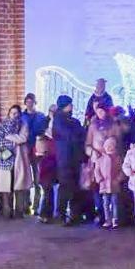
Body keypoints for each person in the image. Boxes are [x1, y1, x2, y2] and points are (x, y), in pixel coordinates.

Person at [50, 96, 87, 225]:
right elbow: (71, 135)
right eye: (70, 104)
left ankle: (75, 214)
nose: (72, 106)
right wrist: (78, 133)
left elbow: (81, 135)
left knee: (76, 187)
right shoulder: (59, 120)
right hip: (65, 159)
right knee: (65, 187)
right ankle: (61, 214)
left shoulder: (73, 121)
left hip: (74, 158)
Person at [0, 105, 33, 219]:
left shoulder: (23, 125)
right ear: (8, 113)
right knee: (7, 186)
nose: (14, 115)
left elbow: (22, 138)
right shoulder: (2, 126)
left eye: (16, 113)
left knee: (19, 186)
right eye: (12, 113)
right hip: (5, 158)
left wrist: (8, 136)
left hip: (19, 158)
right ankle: (7, 211)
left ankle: (19, 212)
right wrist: (11, 137)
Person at [33, 134, 59, 222]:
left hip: (45, 175)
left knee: (48, 194)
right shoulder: (48, 143)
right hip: (47, 174)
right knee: (48, 194)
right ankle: (44, 214)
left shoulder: (44, 142)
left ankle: (46, 214)